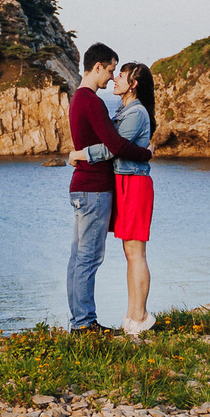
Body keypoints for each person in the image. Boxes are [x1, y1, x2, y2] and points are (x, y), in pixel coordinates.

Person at [65, 43, 151, 331]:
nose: (112, 76)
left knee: (78, 258)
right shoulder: (92, 101)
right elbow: (115, 145)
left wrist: (79, 154)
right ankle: (84, 324)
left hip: (84, 186)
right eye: (111, 70)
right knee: (88, 258)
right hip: (94, 187)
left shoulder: (78, 99)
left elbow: (108, 143)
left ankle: (80, 321)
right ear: (98, 66)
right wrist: (146, 153)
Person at [101, 62, 156, 335]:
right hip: (125, 181)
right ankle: (132, 316)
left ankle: (141, 315)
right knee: (130, 252)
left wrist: (81, 155)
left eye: (121, 76)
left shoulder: (136, 112)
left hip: (134, 183)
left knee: (136, 253)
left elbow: (113, 148)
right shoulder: (125, 110)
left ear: (133, 84)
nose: (115, 79)